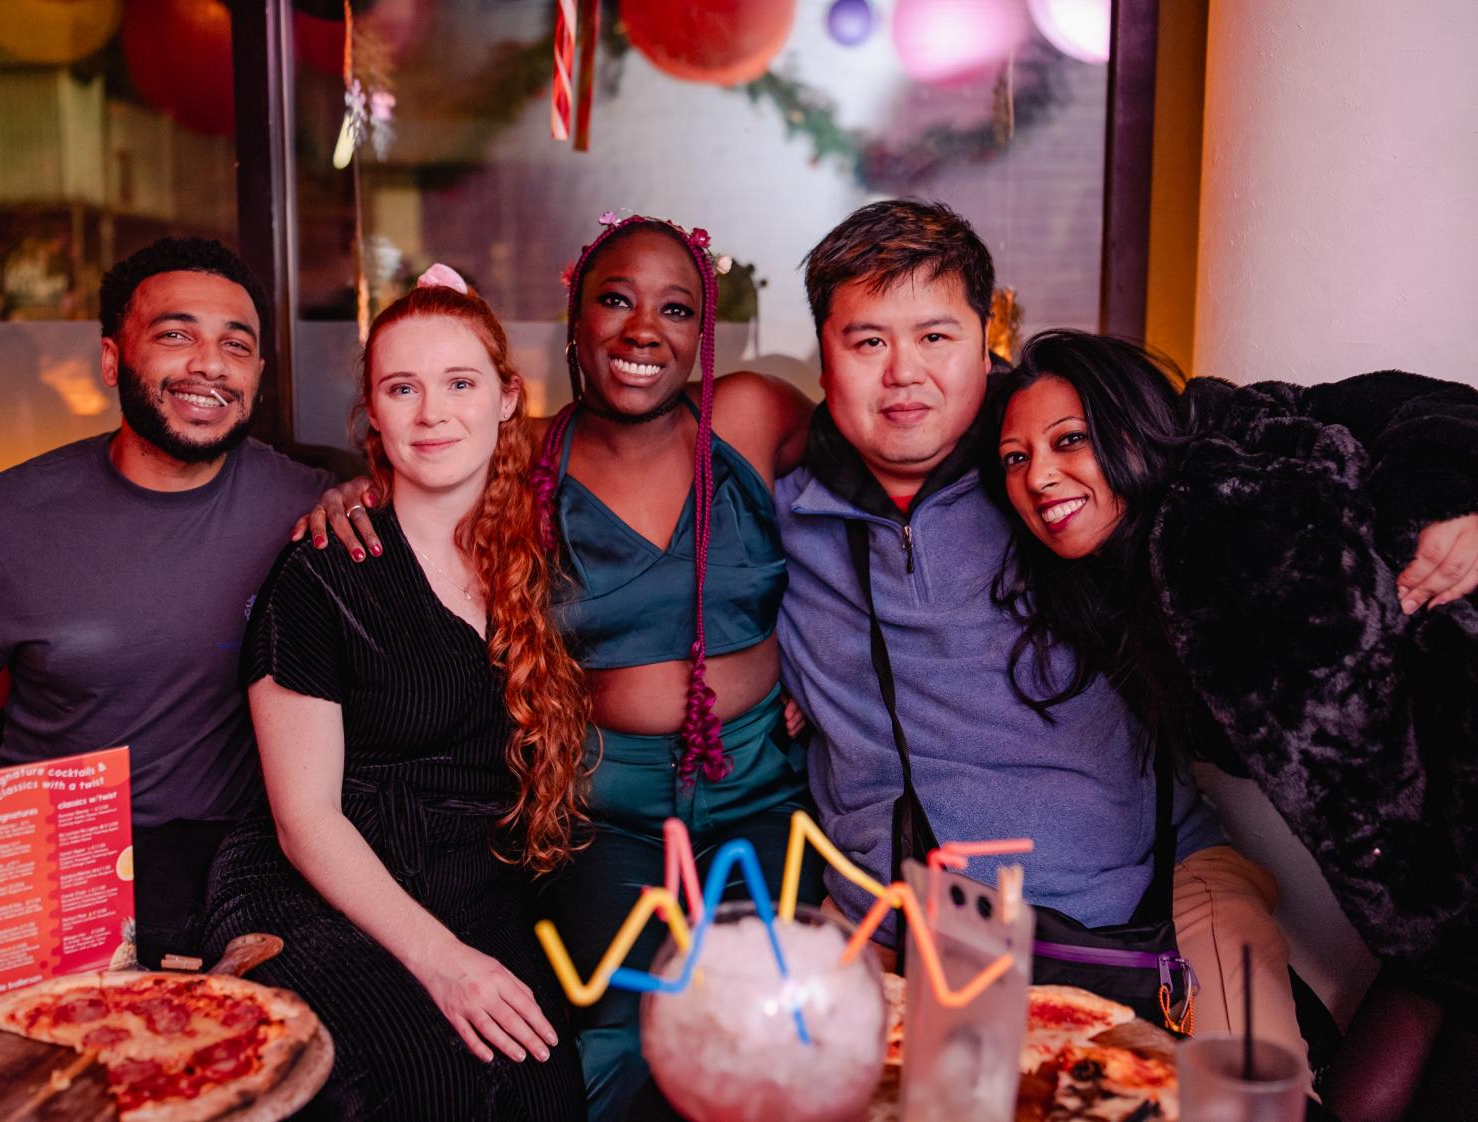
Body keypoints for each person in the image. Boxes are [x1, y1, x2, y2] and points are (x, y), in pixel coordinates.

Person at [302, 213, 825, 1122]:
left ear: (703, 333)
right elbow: (427, 469)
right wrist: (356, 487)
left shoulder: (752, 416)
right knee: (618, 1040)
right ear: (574, 321)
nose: (642, 329)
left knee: (773, 1031)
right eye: (614, 301)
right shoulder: (526, 459)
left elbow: (885, 483)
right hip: (603, 805)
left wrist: (826, 674)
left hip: (764, 791)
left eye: (675, 308)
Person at [770, 201, 1312, 1066]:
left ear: (986, 340)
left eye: (936, 337)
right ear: (824, 357)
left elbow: (1310, 430)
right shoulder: (781, 515)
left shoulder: (1060, 468)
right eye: (867, 341)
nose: (903, 372)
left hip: (1156, 894)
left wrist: (1444, 494)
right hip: (914, 923)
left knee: (1254, 1087)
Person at [987, 329, 1478, 1112]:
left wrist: (1462, 508)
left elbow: (1426, 409)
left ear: (1128, 424)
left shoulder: (1232, 462)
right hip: (1436, 870)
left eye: (1069, 440)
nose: (1040, 475)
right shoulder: (1111, 597)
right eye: (1015, 459)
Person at [0, 237, 333, 970]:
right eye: (176, 335)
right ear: (112, 360)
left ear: (257, 375)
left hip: (229, 862)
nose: (209, 364)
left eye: (236, 346)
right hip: (42, 851)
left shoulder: (313, 508)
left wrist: (368, 492)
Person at [200, 268, 587, 1121]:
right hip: (317, 892)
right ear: (373, 413)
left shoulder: (537, 550)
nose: (432, 413)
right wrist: (441, 960)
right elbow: (306, 823)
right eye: (401, 388)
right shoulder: (323, 571)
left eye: (459, 383)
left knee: (545, 1093)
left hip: (466, 884)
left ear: (507, 397)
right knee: (430, 1086)